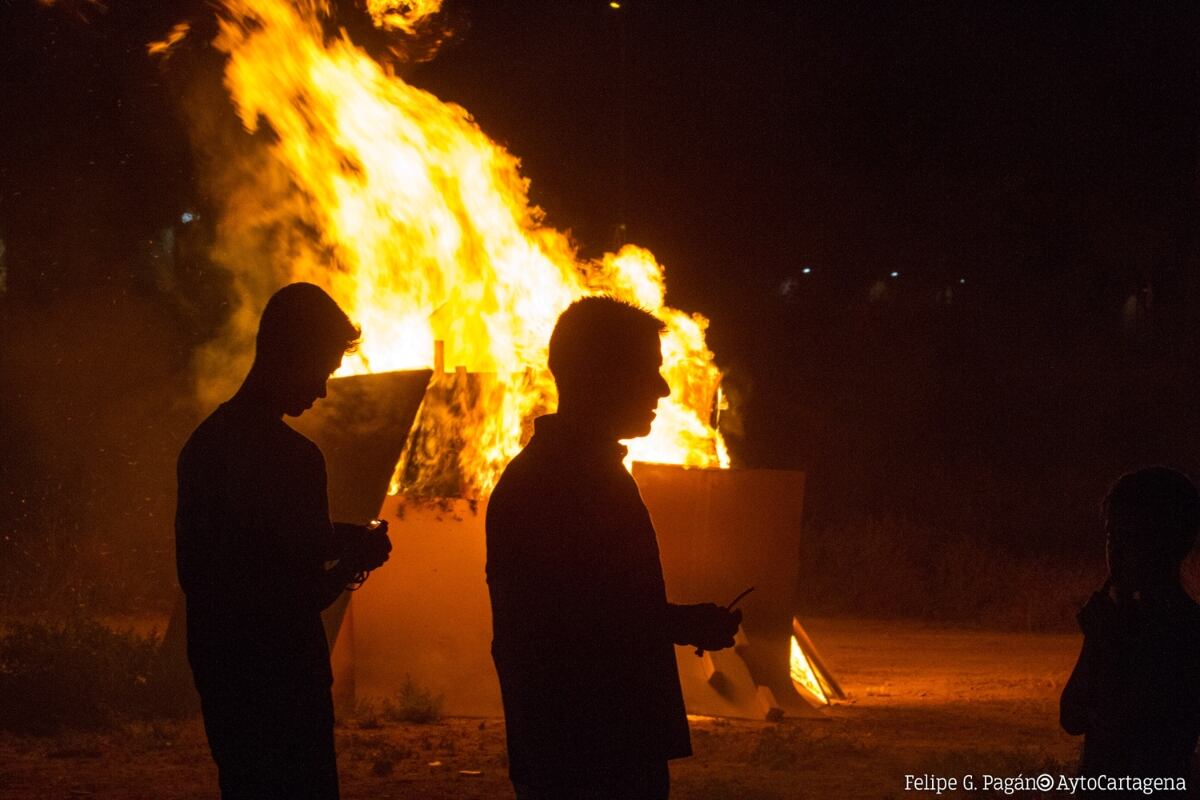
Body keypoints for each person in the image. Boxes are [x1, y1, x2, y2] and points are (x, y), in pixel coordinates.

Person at [486, 295, 742, 800]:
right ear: (603, 375)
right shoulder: (564, 481)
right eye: (648, 371)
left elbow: (596, 604)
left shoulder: (576, 474)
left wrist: (677, 621)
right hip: (589, 748)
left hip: (587, 742)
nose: (663, 388)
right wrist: (681, 623)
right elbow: (578, 621)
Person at [176, 282, 392, 800]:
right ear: (292, 354)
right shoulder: (295, 459)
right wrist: (352, 563)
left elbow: (218, 566)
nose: (321, 390)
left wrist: (334, 538)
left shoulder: (206, 444)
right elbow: (299, 594)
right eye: (323, 369)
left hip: (223, 675)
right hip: (285, 683)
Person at [1060, 467, 1200, 791]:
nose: (1116, 552)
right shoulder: (1129, 621)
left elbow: (1121, 731)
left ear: (1169, 543)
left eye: (1132, 537)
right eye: (1112, 535)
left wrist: (1100, 641)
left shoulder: (1181, 633)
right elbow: (1071, 717)